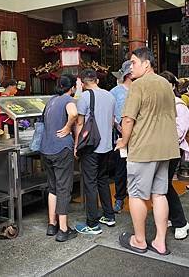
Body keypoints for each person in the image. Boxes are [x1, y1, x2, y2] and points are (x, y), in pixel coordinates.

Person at [116, 47, 179, 256]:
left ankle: (140, 240)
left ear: (146, 64)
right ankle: (160, 242)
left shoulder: (138, 85)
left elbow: (127, 119)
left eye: (133, 62)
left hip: (143, 149)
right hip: (167, 149)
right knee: (159, 194)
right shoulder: (165, 85)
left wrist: (123, 141)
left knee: (136, 195)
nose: (131, 67)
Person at [74, 69, 117, 235]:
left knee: (90, 183)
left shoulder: (84, 97)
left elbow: (79, 124)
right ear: (97, 80)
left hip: (91, 146)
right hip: (106, 145)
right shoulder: (110, 96)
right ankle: (109, 215)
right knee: (103, 180)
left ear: (83, 84)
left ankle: (92, 224)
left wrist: (77, 146)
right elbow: (112, 120)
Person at [40, 74, 78, 242]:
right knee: (63, 188)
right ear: (72, 88)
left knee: (53, 187)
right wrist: (68, 127)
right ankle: (63, 230)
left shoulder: (51, 100)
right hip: (61, 149)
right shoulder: (68, 99)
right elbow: (74, 113)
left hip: (46, 149)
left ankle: (51, 224)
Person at [160, 71, 189, 240]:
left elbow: (180, 131)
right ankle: (173, 217)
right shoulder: (159, 103)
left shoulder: (179, 105)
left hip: (172, 148)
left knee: (165, 185)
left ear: (172, 86)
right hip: (160, 148)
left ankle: (181, 222)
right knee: (162, 185)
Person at [110, 60, 132, 213]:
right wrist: (119, 127)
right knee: (121, 168)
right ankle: (119, 197)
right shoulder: (115, 92)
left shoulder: (141, 89)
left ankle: (136, 195)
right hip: (120, 134)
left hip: (140, 135)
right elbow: (110, 115)